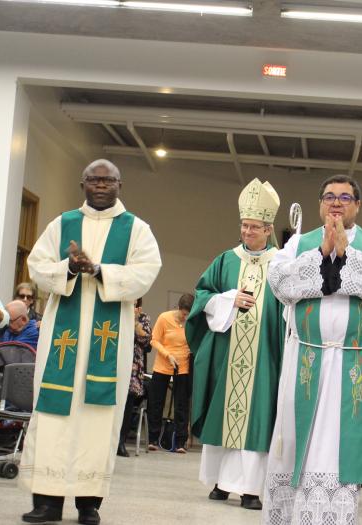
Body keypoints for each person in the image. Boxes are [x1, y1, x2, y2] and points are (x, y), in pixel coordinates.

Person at [19, 159, 162, 525]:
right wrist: (69, 267)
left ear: (120, 184)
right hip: (62, 339)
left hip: (107, 340)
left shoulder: (136, 229)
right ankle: (47, 502)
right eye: (94, 180)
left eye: (108, 180)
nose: (101, 185)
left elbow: (146, 272)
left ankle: (88, 503)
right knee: (52, 413)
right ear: (83, 183)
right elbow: (37, 265)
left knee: (99, 417)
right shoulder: (62, 223)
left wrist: (99, 271)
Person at [264, 174, 362, 524]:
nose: (337, 202)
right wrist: (324, 253)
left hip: (351, 362)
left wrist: (346, 253)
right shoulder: (299, 244)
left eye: (345, 197)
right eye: (329, 196)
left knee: (336, 449)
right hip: (305, 361)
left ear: (357, 205)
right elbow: (280, 283)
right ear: (320, 204)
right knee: (298, 444)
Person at [186, 178, 284, 510]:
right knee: (222, 417)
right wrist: (228, 299)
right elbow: (202, 296)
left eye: (254, 227)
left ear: (268, 229)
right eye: (244, 225)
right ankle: (219, 483)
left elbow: (293, 307)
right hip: (226, 355)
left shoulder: (281, 264)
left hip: (264, 358)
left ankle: (251, 490)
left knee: (256, 420)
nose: (247, 232)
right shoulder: (225, 260)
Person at [147, 293, 195, 454]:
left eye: (188, 315)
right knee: (156, 402)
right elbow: (154, 340)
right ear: (178, 308)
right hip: (163, 365)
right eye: (184, 314)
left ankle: (180, 442)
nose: (185, 317)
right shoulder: (164, 318)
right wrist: (168, 355)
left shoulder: (191, 322)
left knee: (181, 404)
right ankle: (153, 439)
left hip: (182, 367)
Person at [117, 298, 151, 457]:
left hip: (133, 368)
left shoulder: (143, 318)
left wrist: (135, 320)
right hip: (115, 363)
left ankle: (120, 442)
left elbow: (145, 340)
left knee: (128, 405)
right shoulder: (115, 312)